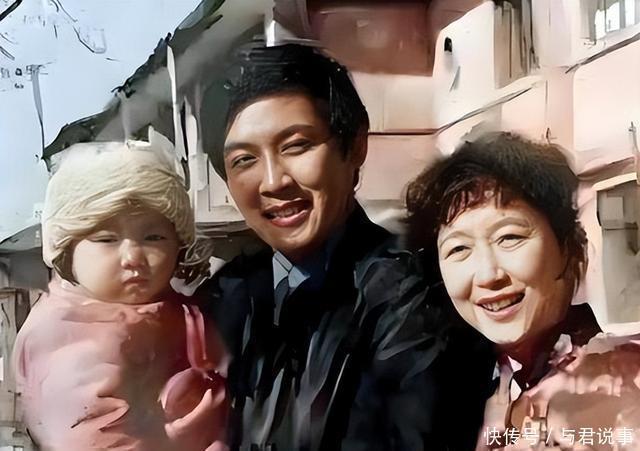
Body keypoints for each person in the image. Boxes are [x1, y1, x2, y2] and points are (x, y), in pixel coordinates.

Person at [198, 42, 493, 450]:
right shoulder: (221, 299)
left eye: (296, 146)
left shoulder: (418, 296)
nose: (273, 181)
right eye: (244, 160)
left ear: (355, 145)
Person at [406, 131, 640, 450]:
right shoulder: (456, 384)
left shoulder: (621, 382)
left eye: (510, 238)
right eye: (458, 249)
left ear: (568, 247)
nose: (488, 275)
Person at [12, 140, 228, 451]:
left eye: (153, 237)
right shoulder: (71, 337)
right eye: (106, 239)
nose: (133, 257)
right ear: (66, 250)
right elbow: (92, 437)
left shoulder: (163, 308)